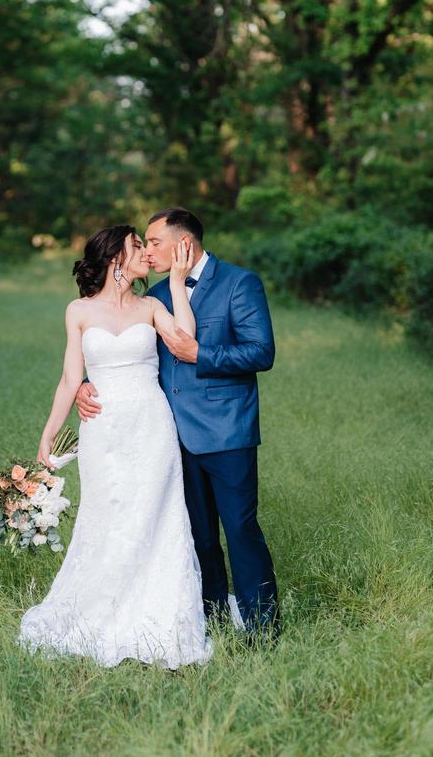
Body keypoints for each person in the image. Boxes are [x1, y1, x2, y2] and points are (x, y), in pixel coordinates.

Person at [76, 208, 280, 638]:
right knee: (197, 534)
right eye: (144, 245)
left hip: (227, 431)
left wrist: (201, 355)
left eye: (153, 243)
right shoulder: (157, 297)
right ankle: (213, 617)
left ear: (183, 243)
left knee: (241, 530)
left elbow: (261, 352)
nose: (147, 253)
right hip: (167, 435)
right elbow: (127, 350)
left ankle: (262, 625)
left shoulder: (238, 283)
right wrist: (85, 384)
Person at [18, 224, 212, 668]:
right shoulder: (79, 311)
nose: (145, 251)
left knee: (155, 516)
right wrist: (48, 433)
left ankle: (156, 612)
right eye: (137, 245)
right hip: (102, 432)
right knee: (106, 515)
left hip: (151, 426)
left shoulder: (152, 305)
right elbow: (71, 377)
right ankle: (98, 608)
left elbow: (185, 341)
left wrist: (179, 284)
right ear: (114, 259)